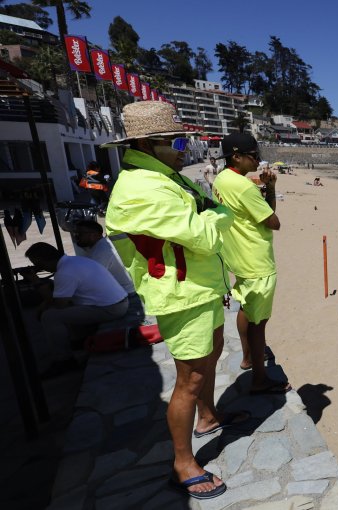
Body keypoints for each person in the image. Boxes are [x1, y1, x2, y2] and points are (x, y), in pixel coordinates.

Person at [105, 101, 236, 500]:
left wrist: (211, 214)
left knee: (211, 354)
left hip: (200, 285)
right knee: (190, 378)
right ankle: (182, 463)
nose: (185, 148)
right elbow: (212, 230)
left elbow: (210, 212)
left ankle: (208, 417)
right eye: (178, 140)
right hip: (181, 293)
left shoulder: (165, 176)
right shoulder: (140, 189)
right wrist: (215, 215)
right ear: (146, 142)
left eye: (187, 139)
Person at [213, 133, 291, 395]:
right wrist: (270, 188)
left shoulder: (222, 180)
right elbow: (274, 222)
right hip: (256, 261)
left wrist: (263, 190)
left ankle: (247, 358)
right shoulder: (243, 186)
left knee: (247, 309)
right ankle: (259, 378)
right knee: (260, 324)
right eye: (254, 155)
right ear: (237, 157)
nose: (258, 159)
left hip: (238, 257)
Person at [22, 242, 128, 376]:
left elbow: (60, 305)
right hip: (118, 302)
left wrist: (37, 283)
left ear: (43, 261)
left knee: (50, 317)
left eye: (38, 265)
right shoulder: (74, 261)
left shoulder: (65, 272)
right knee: (67, 305)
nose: (38, 268)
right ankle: (79, 340)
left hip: (111, 308)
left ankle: (64, 360)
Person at [72, 220, 144, 323]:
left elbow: (90, 283)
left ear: (94, 235)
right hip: (125, 294)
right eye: (75, 233)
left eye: (80, 234)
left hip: (127, 298)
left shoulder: (101, 251)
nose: (76, 236)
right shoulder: (101, 246)